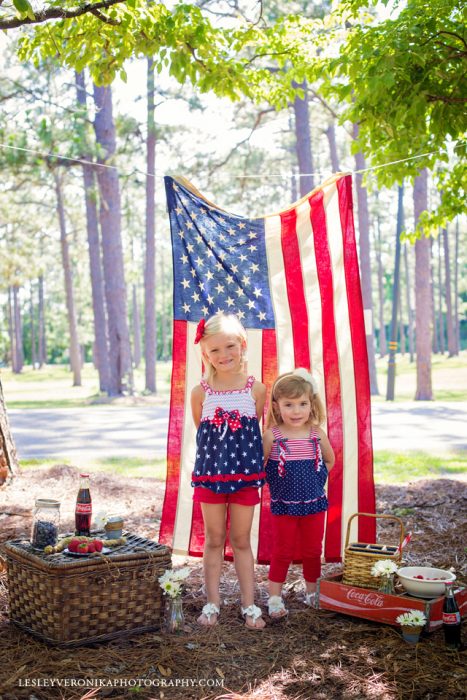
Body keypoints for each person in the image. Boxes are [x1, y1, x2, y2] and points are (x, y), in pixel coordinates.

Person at [191, 312, 267, 629]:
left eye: (230, 346)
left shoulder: (257, 390)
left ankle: (249, 605)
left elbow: (256, 430)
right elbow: (202, 430)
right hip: (211, 475)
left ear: (243, 345)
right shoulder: (201, 393)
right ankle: (212, 603)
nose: (224, 355)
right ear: (205, 354)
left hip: (245, 477)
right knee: (213, 538)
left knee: (240, 539)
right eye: (215, 350)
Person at [263, 368, 335, 619]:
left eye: (302, 403)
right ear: (276, 406)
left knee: (313, 549)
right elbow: (261, 468)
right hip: (284, 503)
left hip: (314, 504)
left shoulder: (316, 434)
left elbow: (330, 459)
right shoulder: (273, 436)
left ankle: (312, 592)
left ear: (311, 404)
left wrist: (315, 479)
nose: (296, 411)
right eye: (289, 404)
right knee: (282, 549)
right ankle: (274, 597)